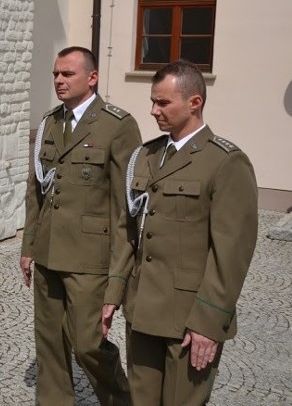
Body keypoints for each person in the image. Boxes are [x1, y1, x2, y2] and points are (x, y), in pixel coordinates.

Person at [102, 60, 258, 405]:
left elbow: (230, 254)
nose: (153, 110)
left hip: (188, 320)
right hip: (142, 310)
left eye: (163, 102)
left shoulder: (226, 162)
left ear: (195, 102)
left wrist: (208, 322)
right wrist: (113, 294)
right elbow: (128, 230)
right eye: (153, 101)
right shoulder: (145, 155)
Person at [21, 46, 140, 405]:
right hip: (48, 252)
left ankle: (121, 399)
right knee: (50, 342)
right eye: (56, 74)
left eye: (68, 74)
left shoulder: (118, 126)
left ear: (92, 78)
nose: (59, 80)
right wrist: (29, 247)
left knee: (89, 343)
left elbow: (127, 207)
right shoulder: (50, 122)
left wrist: (120, 273)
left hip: (90, 258)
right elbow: (36, 191)